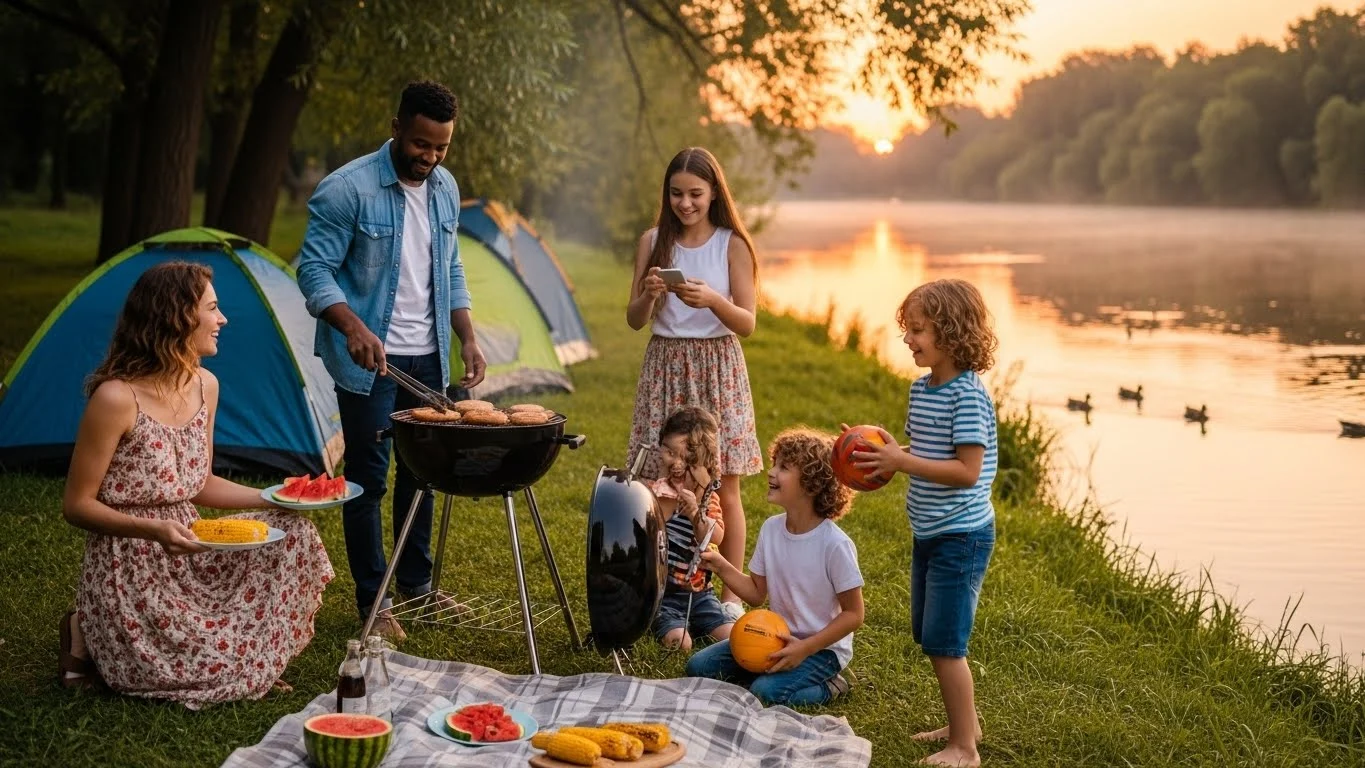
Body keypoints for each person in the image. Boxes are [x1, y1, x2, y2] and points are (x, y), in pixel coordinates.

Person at [58, 262, 334, 709]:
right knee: (199, 667)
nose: (222, 319)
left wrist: (278, 496)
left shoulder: (206, 384)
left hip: (190, 544)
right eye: (213, 308)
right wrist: (153, 530)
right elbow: (76, 505)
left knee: (293, 531)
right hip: (131, 567)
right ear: (177, 316)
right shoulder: (115, 398)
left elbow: (199, 484)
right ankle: (83, 625)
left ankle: (246, 664)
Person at [297, 80, 486, 642]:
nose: (429, 158)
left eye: (441, 149)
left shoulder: (445, 188)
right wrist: (351, 326)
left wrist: (468, 337)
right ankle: (373, 600)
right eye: (421, 144)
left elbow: (450, 267)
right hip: (367, 361)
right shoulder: (346, 190)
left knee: (422, 473)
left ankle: (417, 586)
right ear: (398, 125)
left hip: (427, 353)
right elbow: (313, 271)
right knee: (368, 480)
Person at [851, 278, 999, 768]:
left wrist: (903, 462)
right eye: (907, 330)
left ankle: (965, 748)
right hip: (930, 531)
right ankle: (965, 722)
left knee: (945, 642)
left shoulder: (968, 397)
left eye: (918, 331)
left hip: (962, 534)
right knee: (928, 633)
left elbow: (967, 470)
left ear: (953, 333)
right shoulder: (924, 389)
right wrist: (883, 457)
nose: (909, 340)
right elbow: (924, 452)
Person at [624, 146, 762, 619]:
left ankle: (728, 598)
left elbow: (746, 322)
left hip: (717, 367)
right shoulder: (652, 242)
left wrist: (712, 301)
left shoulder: (732, 244)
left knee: (722, 487)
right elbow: (634, 320)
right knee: (655, 483)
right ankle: (657, 588)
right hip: (665, 364)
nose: (685, 203)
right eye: (677, 193)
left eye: (696, 194)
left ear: (713, 193)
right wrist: (646, 294)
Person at [686, 428, 864, 707]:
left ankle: (833, 684)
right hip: (775, 639)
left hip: (821, 650)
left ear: (811, 484)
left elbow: (854, 614)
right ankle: (770, 675)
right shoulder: (771, 530)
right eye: (774, 464)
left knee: (765, 692)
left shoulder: (834, 544)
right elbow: (756, 593)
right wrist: (720, 566)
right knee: (700, 667)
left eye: (783, 467)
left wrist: (805, 648)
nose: (771, 473)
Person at [648, 407, 733, 650]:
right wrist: (672, 496)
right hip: (665, 594)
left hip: (700, 596)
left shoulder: (709, 500)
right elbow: (654, 529)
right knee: (681, 643)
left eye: (684, 459)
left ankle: (698, 622)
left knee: (731, 635)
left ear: (702, 465)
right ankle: (667, 623)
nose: (675, 463)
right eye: (668, 452)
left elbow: (715, 536)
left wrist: (697, 510)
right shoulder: (662, 492)